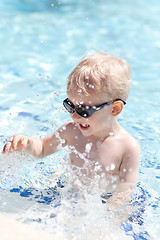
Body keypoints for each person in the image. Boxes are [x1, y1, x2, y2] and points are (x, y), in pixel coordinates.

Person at [2, 52, 140, 209]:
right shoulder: (71, 131)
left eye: (84, 110)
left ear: (114, 109)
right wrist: (26, 143)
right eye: (70, 106)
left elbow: (124, 193)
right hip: (68, 193)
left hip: (101, 202)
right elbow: (41, 150)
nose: (75, 116)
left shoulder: (128, 147)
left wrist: (110, 215)